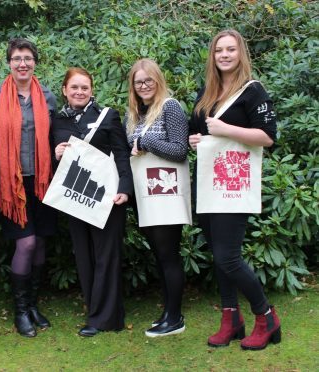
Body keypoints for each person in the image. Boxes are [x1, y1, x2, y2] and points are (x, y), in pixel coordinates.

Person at [188, 29, 281, 350]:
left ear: (240, 53)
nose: (224, 55)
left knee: (228, 257)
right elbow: (195, 132)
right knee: (218, 256)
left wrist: (227, 129)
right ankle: (232, 319)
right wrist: (195, 139)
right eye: (218, 51)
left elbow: (268, 137)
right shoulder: (207, 91)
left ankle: (266, 316)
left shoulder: (253, 92)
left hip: (233, 184)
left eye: (230, 50)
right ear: (212, 56)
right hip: (207, 182)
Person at [0, 38, 57, 338]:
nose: (22, 63)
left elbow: (55, 137)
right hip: (10, 184)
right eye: (17, 58)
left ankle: (34, 305)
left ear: (35, 61)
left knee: (39, 243)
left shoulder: (48, 97)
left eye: (27, 58)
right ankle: (21, 311)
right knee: (25, 243)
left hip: (42, 181)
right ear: (9, 63)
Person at [52, 67, 132, 337]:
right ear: (64, 90)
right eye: (74, 87)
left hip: (107, 196)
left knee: (106, 256)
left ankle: (104, 319)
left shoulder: (107, 116)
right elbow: (54, 162)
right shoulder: (57, 121)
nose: (79, 92)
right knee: (85, 257)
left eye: (84, 87)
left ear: (92, 90)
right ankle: (95, 312)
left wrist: (125, 189)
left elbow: (122, 154)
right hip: (75, 197)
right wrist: (56, 152)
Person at [125, 58, 189, 337]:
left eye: (148, 80)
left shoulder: (170, 107)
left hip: (166, 192)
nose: (144, 86)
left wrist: (145, 142)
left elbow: (180, 150)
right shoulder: (138, 113)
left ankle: (175, 318)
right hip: (147, 194)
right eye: (138, 82)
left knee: (168, 255)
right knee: (160, 256)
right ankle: (169, 313)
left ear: (158, 80)